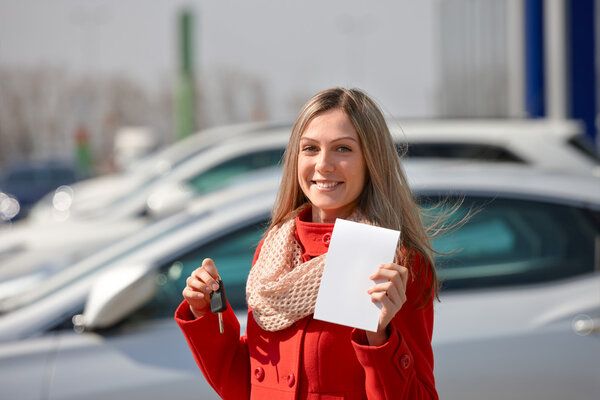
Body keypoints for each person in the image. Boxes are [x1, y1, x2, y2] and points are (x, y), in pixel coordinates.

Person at [175, 87, 439, 399]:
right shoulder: (276, 250)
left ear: (372, 160)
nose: (324, 164)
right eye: (310, 148)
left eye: (343, 149)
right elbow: (244, 388)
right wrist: (204, 311)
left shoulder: (393, 262)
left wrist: (379, 337)